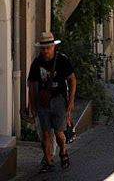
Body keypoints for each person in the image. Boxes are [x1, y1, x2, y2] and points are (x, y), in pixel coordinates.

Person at [28, 31, 76, 174]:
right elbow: (32, 84)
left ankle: (63, 150)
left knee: (59, 133)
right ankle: (48, 161)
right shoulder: (37, 63)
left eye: (48, 47)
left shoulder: (62, 60)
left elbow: (72, 79)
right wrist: (32, 104)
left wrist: (71, 100)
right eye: (43, 48)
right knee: (46, 133)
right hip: (43, 102)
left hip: (59, 100)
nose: (46, 51)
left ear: (53, 47)